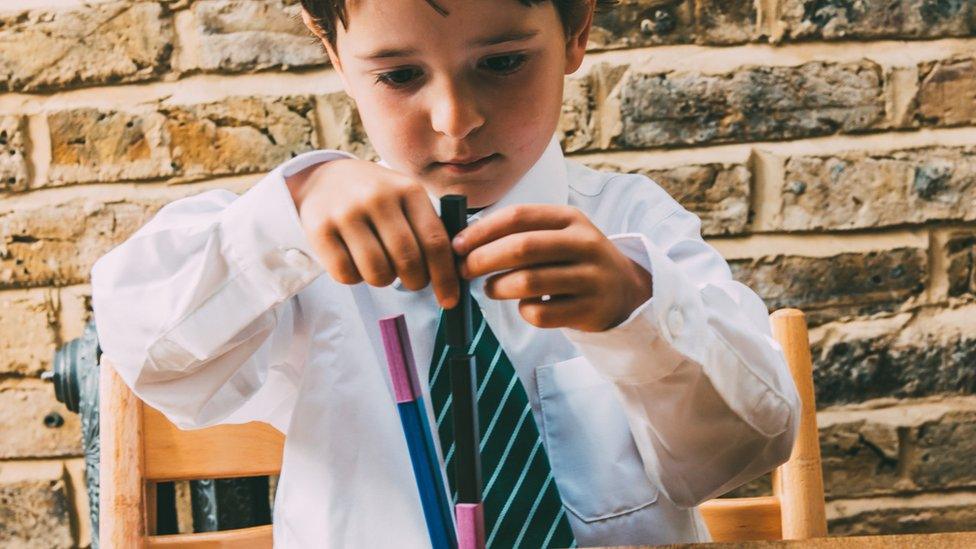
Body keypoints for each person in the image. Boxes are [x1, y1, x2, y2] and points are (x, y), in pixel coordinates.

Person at [90, 0, 801, 546]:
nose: (456, 120)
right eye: (400, 75)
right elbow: (145, 345)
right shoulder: (298, 249)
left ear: (577, 29)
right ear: (335, 54)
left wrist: (637, 309)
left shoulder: (633, 226)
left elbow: (744, 449)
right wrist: (292, 207)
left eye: (502, 63)